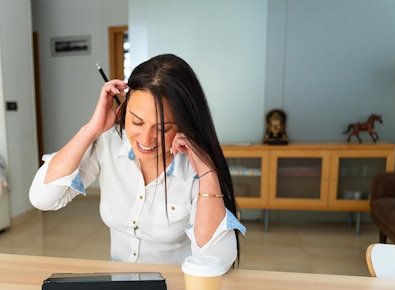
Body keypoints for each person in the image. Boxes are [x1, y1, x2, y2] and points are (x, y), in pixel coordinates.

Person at [29, 54, 245, 267]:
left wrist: (208, 172)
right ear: (123, 110)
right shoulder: (110, 143)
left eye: (162, 128)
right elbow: (43, 198)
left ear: (184, 124)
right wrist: (91, 130)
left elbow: (215, 262)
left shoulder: (196, 169)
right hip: (121, 286)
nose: (145, 138)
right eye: (137, 122)